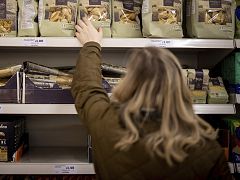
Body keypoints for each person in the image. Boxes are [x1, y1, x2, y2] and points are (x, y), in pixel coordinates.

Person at [71, 17, 232, 180]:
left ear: (129, 83)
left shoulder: (107, 124)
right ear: (180, 89)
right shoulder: (207, 149)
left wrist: (91, 45)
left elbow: (87, 89)